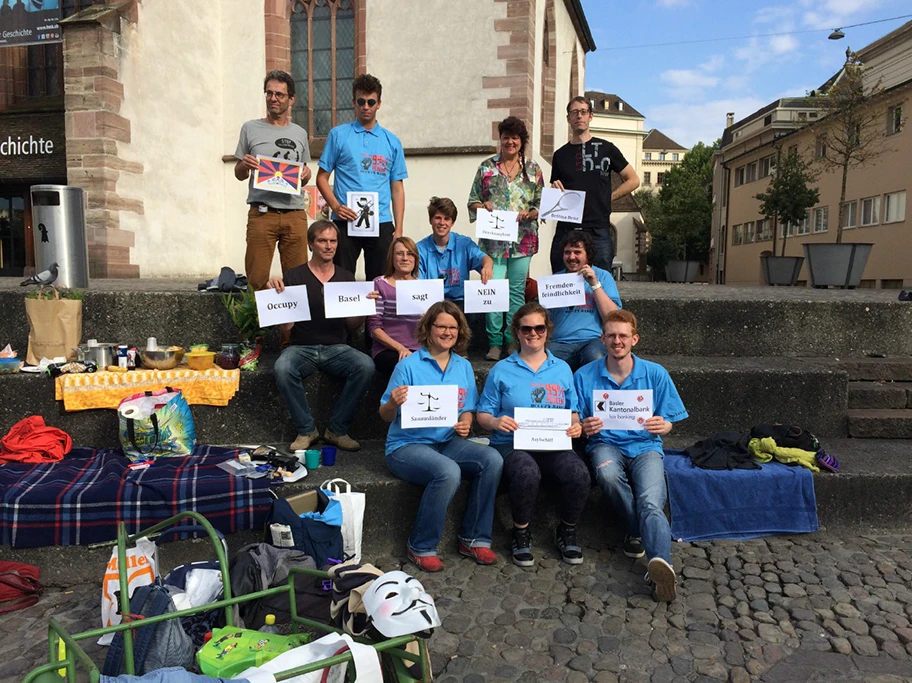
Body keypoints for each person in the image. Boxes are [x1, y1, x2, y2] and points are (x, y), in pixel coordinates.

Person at [379, 301, 503, 572]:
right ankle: (420, 545)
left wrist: (465, 425)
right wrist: (393, 404)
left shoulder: (463, 367)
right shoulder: (408, 366)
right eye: (441, 326)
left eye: (453, 327)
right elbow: (385, 415)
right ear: (428, 328)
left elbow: (467, 409)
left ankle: (474, 538)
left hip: (447, 441)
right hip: (407, 445)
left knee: (492, 459)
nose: (447, 332)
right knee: (448, 472)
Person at [574, 310, 688, 602]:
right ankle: (638, 530)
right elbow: (576, 421)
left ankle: (660, 567)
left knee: (651, 502)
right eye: (611, 335)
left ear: (634, 339)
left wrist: (666, 425)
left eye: (623, 335)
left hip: (646, 445)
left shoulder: (655, 373)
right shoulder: (584, 376)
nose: (617, 341)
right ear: (602, 338)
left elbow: (670, 418)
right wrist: (583, 426)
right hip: (604, 444)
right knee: (608, 475)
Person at [476, 302, 590, 567]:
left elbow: (573, 411)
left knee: (579, 473)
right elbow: (483, 414)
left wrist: (576, 425)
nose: (533, 333)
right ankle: (521, 532)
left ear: (547, 331)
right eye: (526, 328)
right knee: (527, 472)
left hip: (554, 443)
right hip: (511, 443)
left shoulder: (562, 369)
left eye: (539, 327)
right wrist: (495, 421)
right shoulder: (501, 370)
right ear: (517, 332)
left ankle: (567, 529)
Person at [268, 220, 377, 453]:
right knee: (282, 368)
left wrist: (365, 311)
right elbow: (286, 328)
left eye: (333, 241)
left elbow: (351, 325)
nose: (328, 246)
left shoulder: (347, 277)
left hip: (337, 347)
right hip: (301, 347)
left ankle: (337, 429)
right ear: (310, 244)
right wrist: (276, 302)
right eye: (322, 241)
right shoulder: (293, 276)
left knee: (366, 365)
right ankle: (307, 430)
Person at [317, 74, 407, 281]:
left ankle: (376, 316)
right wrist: (336, 206)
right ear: (353, 103)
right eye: (361, 101)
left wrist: (399, 227)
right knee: (341, 279)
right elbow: (322, 177)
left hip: (381, 222)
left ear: (379, 104)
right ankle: (342, 315)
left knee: (381, 281)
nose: (366, 107)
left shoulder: (392, 141)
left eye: (371, 102)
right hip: (345, 221)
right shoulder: (338, 135)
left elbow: (397, 188)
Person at [468, 116, 544, 361]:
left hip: (523, 242)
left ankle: (512, 342)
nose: (510, 142)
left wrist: (530, 213)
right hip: (493, 243)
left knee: (515, 293)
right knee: (492, 289)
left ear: (522, 141)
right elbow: (472, 201)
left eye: (515, 138)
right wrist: (484, 205)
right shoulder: (486, 167)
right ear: (500, 139)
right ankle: (493, 342)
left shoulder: (533, 170)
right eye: (506, 137)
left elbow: (540, 206)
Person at [234, 70, 313, 292]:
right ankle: (257, 326)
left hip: (294, 214)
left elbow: (303, 174)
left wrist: (307, 176)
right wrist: (244, 165)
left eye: (279, 94)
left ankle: (292, 327)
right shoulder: (250, 128)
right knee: (257, 280)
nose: (273, 98)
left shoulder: (299, 133)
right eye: (269, 93)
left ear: (291, 99)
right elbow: (239, 174)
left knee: (298, 281)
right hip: (262, 214)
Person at [549, 96, 640, 273]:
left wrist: (609, 197)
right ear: (568, 118)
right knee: (563, 285)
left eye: (583, 112)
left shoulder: (607, 148)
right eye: (574, 113)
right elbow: (556, 187)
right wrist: (553, 188)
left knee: (600, 284)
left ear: (590, 116)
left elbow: (633, 179)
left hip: (598, 229)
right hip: (567, 229)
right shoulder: (560, 155)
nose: (579, 116)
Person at [549, 230, 622, 371]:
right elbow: (545, 319)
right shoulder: (554, 280)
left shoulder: (603, 276)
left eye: (577, 252)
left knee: (596, 358)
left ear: (588, 254)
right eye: (567, 252)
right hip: (560, 342)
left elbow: (613, 317)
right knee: (546, 366)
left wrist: (594, 284)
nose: (572, 257)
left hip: (592, 340)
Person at [417, 197, 493, 306]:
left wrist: (487, 267)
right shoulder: (420, 249)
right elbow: (418, 284)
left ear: (452, 222)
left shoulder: (464, 243)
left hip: (460, 302)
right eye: (438, 218)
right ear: (430, 220)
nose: (442, 223)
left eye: (447, 219)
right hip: (432, 303)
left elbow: (485, 259)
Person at [367, 237, 423, 378]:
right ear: (392, 257)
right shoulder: (379, 284)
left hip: (419, 349)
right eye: (400, 253)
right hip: (387, 350)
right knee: (409, 366)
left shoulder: (425, 287)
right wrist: (400, 348)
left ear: (415, 259)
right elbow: (374, 329)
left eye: (410, 253)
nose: (405, 258)